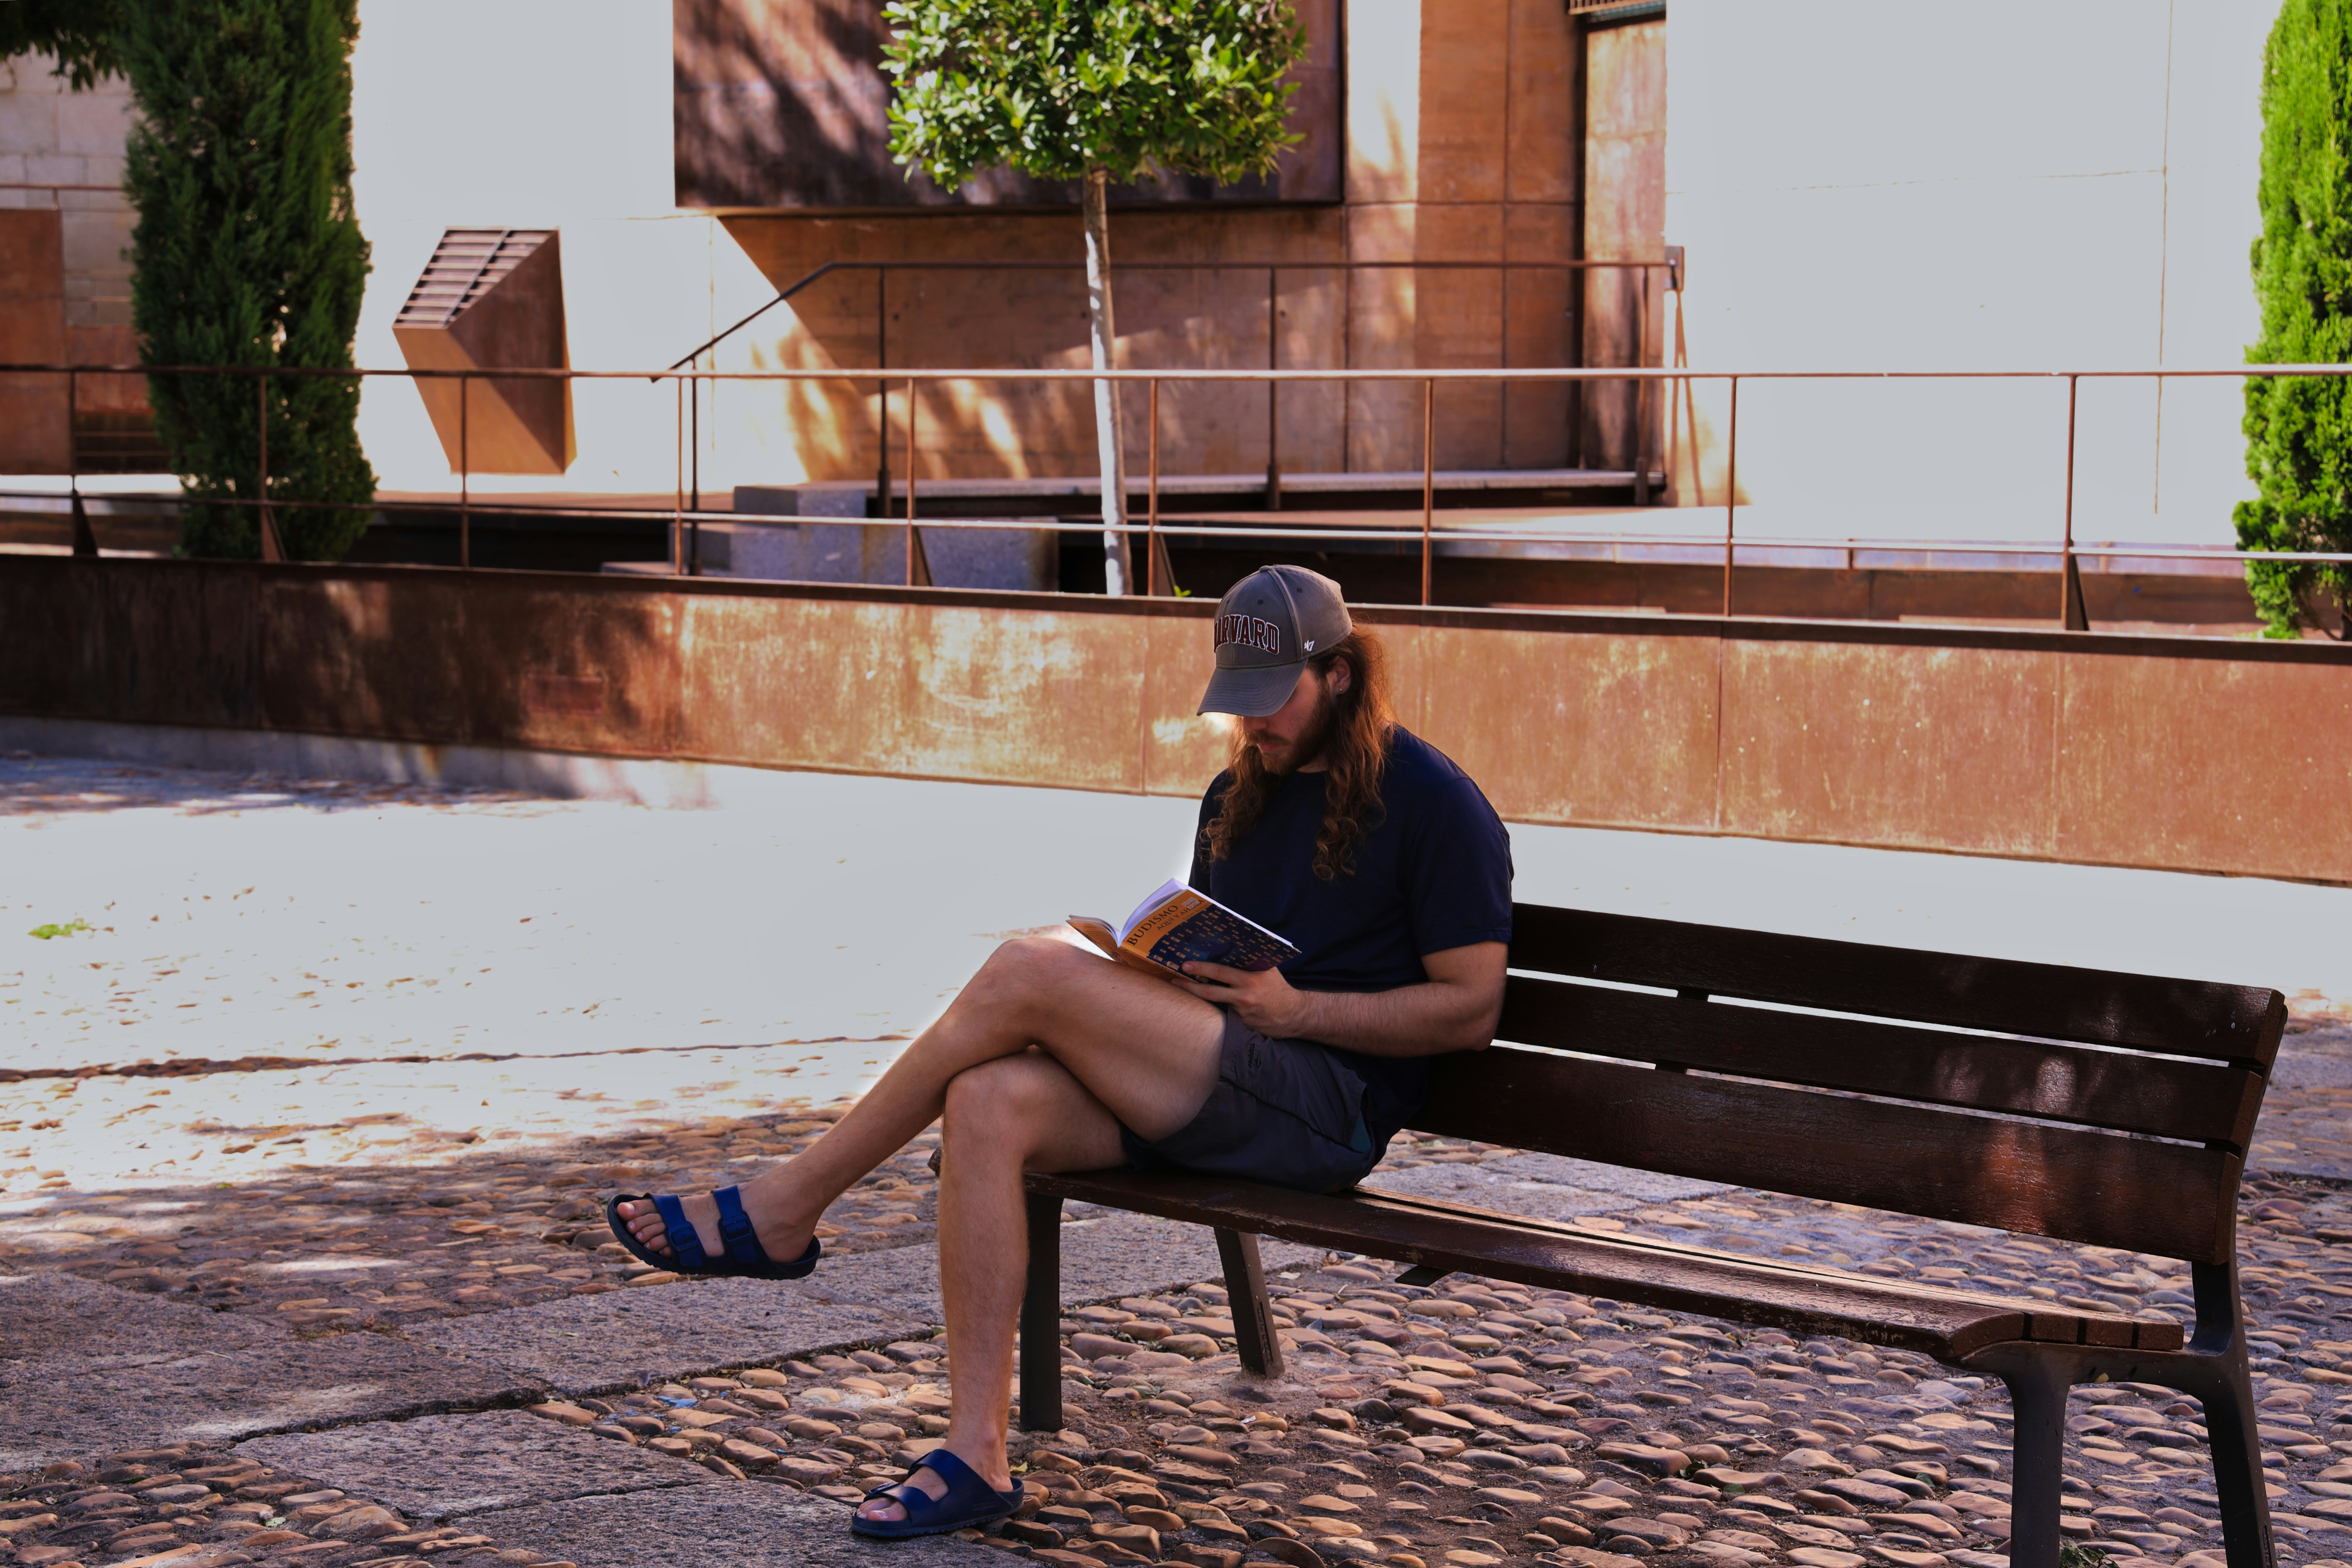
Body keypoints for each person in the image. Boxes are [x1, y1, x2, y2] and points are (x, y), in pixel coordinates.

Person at [607, 564, 1514, 1538]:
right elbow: (1223, 965)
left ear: (1339, 675)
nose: (1253, 723)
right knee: (988, 1099)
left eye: (1273, 697)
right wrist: (1152, 971)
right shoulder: (1236, 795)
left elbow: (1469, 1011)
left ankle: (786, 1207)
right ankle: (976, 1455)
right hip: (1221, 1081)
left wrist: (1297, 1014)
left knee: (1027, 971)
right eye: (1238, 702)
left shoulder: (1433, 800)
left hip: (1328, 1113)